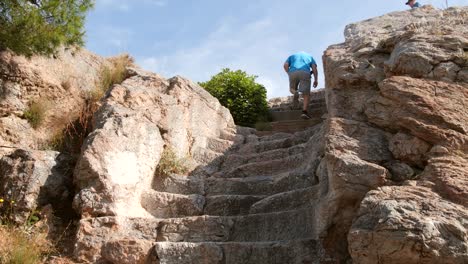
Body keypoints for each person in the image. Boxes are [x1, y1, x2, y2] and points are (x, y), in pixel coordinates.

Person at [283, 51, 318, 119]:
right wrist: (316, 80)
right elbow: (314, 69)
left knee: (291, 89)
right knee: (306, 94)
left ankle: (295, 92)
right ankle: (304, 112)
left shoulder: (292, 56)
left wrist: (289, 73)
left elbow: (285, 65)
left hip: (292, 72)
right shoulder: (310, 57)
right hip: (305, 73)